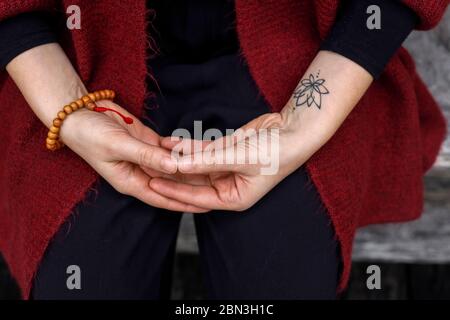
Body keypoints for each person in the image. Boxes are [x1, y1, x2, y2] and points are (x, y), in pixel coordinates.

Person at [0, 0, 447, 299]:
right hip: (72, 50)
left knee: (281, 279)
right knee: (84, 280)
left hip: (304, 48)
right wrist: (69, 112)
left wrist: (305, 121)